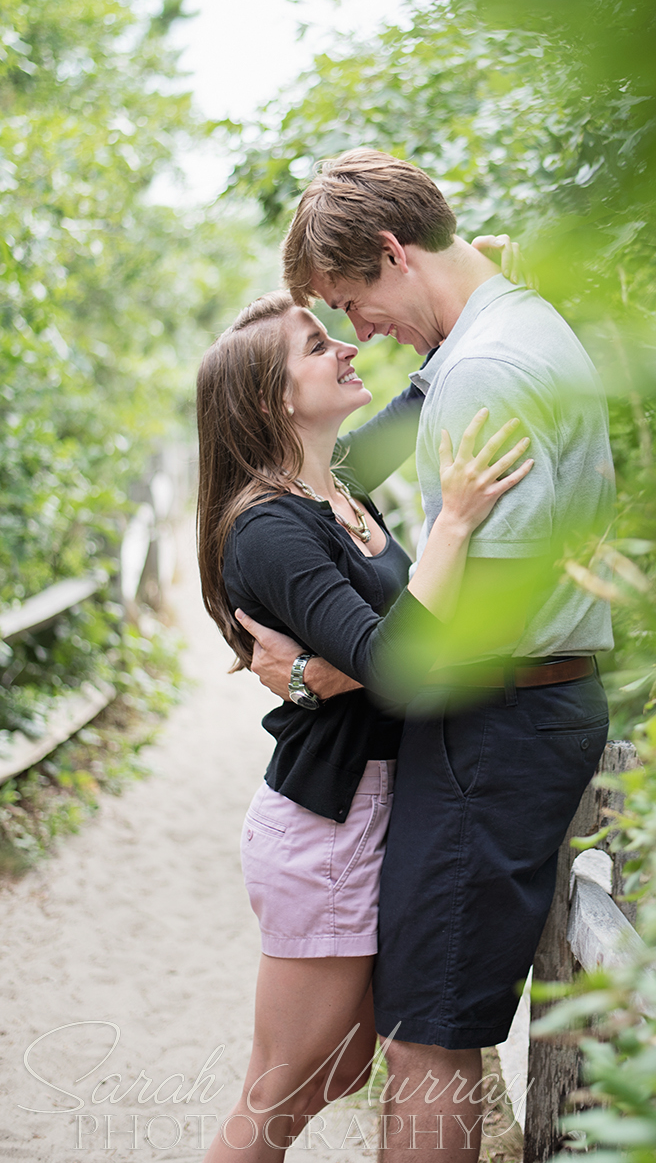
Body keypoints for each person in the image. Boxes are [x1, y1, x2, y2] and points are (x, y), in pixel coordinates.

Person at [239, 150, 616, 1163]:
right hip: (512, 717)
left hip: (494, 724)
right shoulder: (502, 333)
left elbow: (449, 638)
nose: (359, 334)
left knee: (428, 1044)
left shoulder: (484, 369)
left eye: (352, 302)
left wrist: (309, 673)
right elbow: (342, 469)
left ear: (395, 253)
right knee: (423, 1031)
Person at [195, 289, 533, 1161]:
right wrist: (454, 522)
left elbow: (428, 392)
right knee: (277, 1090)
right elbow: (394, 662)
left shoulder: (337, 488)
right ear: (274, 399)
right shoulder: (269, 529)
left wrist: (484, 288)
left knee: (339, 1072)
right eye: (317, 344)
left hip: (382, 808)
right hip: (330, 827)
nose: (347, 346)